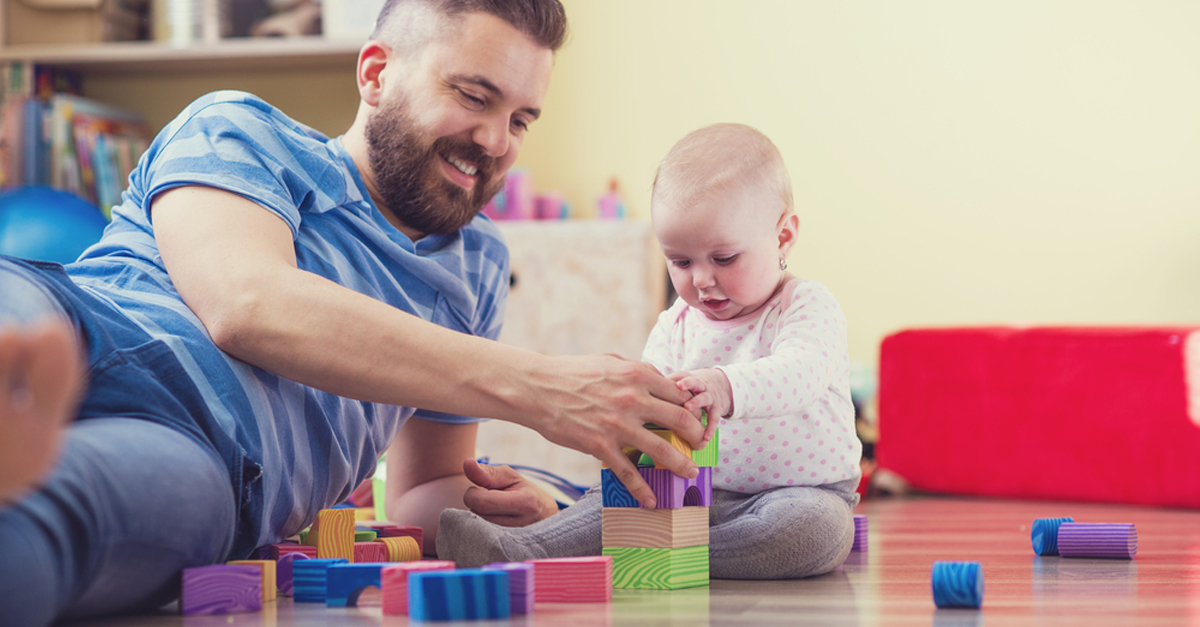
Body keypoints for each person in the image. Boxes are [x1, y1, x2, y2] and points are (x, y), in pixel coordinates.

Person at [0, 1, 708, 625]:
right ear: (376, 74)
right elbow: (246, 303)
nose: (496, 141)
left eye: (519, 119)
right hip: (84, 318)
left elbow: (421, 492)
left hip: (214, 459)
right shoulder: (241, 129)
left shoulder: (477, 265)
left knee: (59, 518)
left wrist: (526, 503)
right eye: (473, 95)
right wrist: (541, 387)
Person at [438, 123, 863, 579]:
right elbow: (644, 401)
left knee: (814, 531)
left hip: (796, 494)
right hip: (683, 490)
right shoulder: (675, 322)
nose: (700, 280)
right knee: (615, 497)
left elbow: (800, 373)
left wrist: (724, 386)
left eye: (723, 259)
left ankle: (662, 554)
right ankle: (525, 548)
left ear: (782, 238)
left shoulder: (804, 305)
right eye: (680, 261)